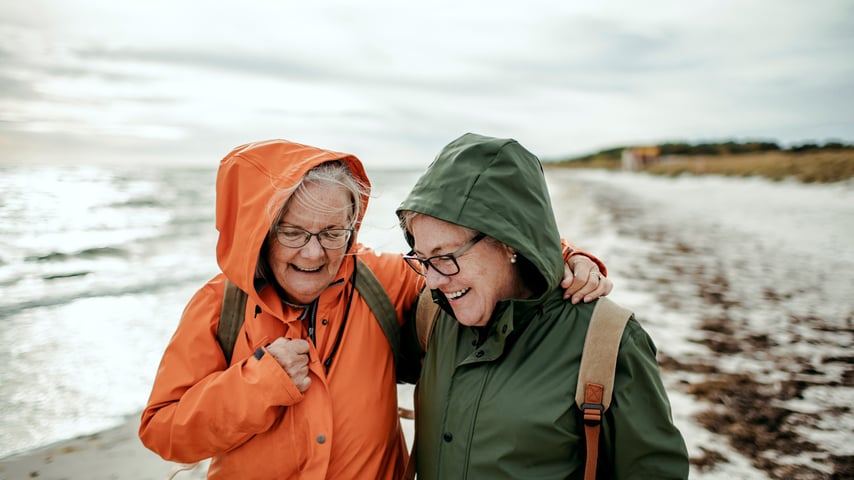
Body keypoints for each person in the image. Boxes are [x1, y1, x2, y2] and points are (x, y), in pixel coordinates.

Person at [138, 139, 612, 479]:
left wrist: (566, 257)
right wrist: (259, 384)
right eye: (294, 233)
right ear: (260, 233)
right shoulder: (219, 306)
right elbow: (163, 433)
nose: (313, 254)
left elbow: (473, 261)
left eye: (332, 234)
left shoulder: (378, 279)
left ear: (353, 227)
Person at [396, 133, 689, 479]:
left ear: (508, 242)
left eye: (445, 257)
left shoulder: (608, 343)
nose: (432, 280)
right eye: (422, 259)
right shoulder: (431, 318)